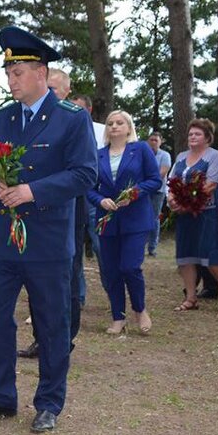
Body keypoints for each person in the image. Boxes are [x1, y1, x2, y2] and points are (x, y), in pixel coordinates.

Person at [0, 26, 96, 435]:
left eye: (18, 72)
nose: (10, 81)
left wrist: (32, 191)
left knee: (51, 322)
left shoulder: (71, 120)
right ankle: (0, 396)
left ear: (42, 73)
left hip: (47, 241)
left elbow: (85, 174)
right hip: (1, 242)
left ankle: (48, 402)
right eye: (7, 73)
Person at [17, 66, 89, 360]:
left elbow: (82, 172)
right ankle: (41, 337)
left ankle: (64, 337)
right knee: (34, 278)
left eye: (57, 89)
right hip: (24, 212)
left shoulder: (72, 119)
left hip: (65, 208)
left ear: (67, 91)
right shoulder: (19, 118)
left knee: (66, 276)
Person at [88, 110, 161, 334]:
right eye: (110, 123)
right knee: (111, 270)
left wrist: (135, 192)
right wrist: (101, 201)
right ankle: (117, 317)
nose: (114, 126)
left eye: (120, 123)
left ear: (129, 128)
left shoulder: (140, 150)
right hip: (108, 220)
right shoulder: (97, 154)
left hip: (136, 219)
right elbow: (88, 187)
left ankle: (140, 310)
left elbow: (155, 180)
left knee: (130, 267)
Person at [169, 118, 218, 310]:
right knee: (185, 256)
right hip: (184, 215)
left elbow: (209, 185)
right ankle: (191, 298)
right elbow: (171, 181)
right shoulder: (181, 156)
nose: (192, 137)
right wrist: (172, 200)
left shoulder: (214, 156)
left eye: (197, 134)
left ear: (208, 137)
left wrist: (188, 204)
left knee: (210, 257)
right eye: (190, 134)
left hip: (205, 213)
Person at [72, 93, 104, 260]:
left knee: (100, 244)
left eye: (79, 108)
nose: (75, 111)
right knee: (74, 252)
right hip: (73, 195)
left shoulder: (102, 130)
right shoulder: (66, 125)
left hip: (95, 196)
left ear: (89, 109)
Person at [146, 131, 171, 256]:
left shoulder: (165, 155)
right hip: (143, 190)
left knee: (154, 217)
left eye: (156, 140)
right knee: (142, 216)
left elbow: (162, 172)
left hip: (157, 191)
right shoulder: (143, 154)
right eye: (151, 139)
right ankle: (140, 244)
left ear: (161, 141)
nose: (153, 142)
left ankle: (152, 247)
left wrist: (148, 182)